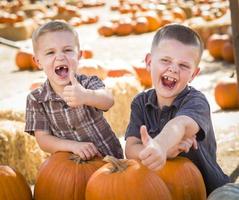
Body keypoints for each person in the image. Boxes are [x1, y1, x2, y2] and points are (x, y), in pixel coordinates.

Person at [125, 24, 230, 195]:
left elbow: (180, 125)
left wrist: (160, 145)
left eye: (183, 65)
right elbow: (130, 148)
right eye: (165, 60)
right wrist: (156, 152)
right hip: (159, 190)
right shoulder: (140, 103)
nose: (173, 68)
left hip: (207, 190)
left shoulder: (196, 101)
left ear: (194, 75)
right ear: (149, 62)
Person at [25, 20, 123, 160]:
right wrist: (73, 146)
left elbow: (108, 100)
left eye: (67, 50)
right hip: (72, 165)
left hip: (108, 160)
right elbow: (43, 140)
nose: (60, 57)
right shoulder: (36, 99)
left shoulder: (88, 83)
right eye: (50, 52)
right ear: (38, 61)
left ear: (79, 55)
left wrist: (86, 96)